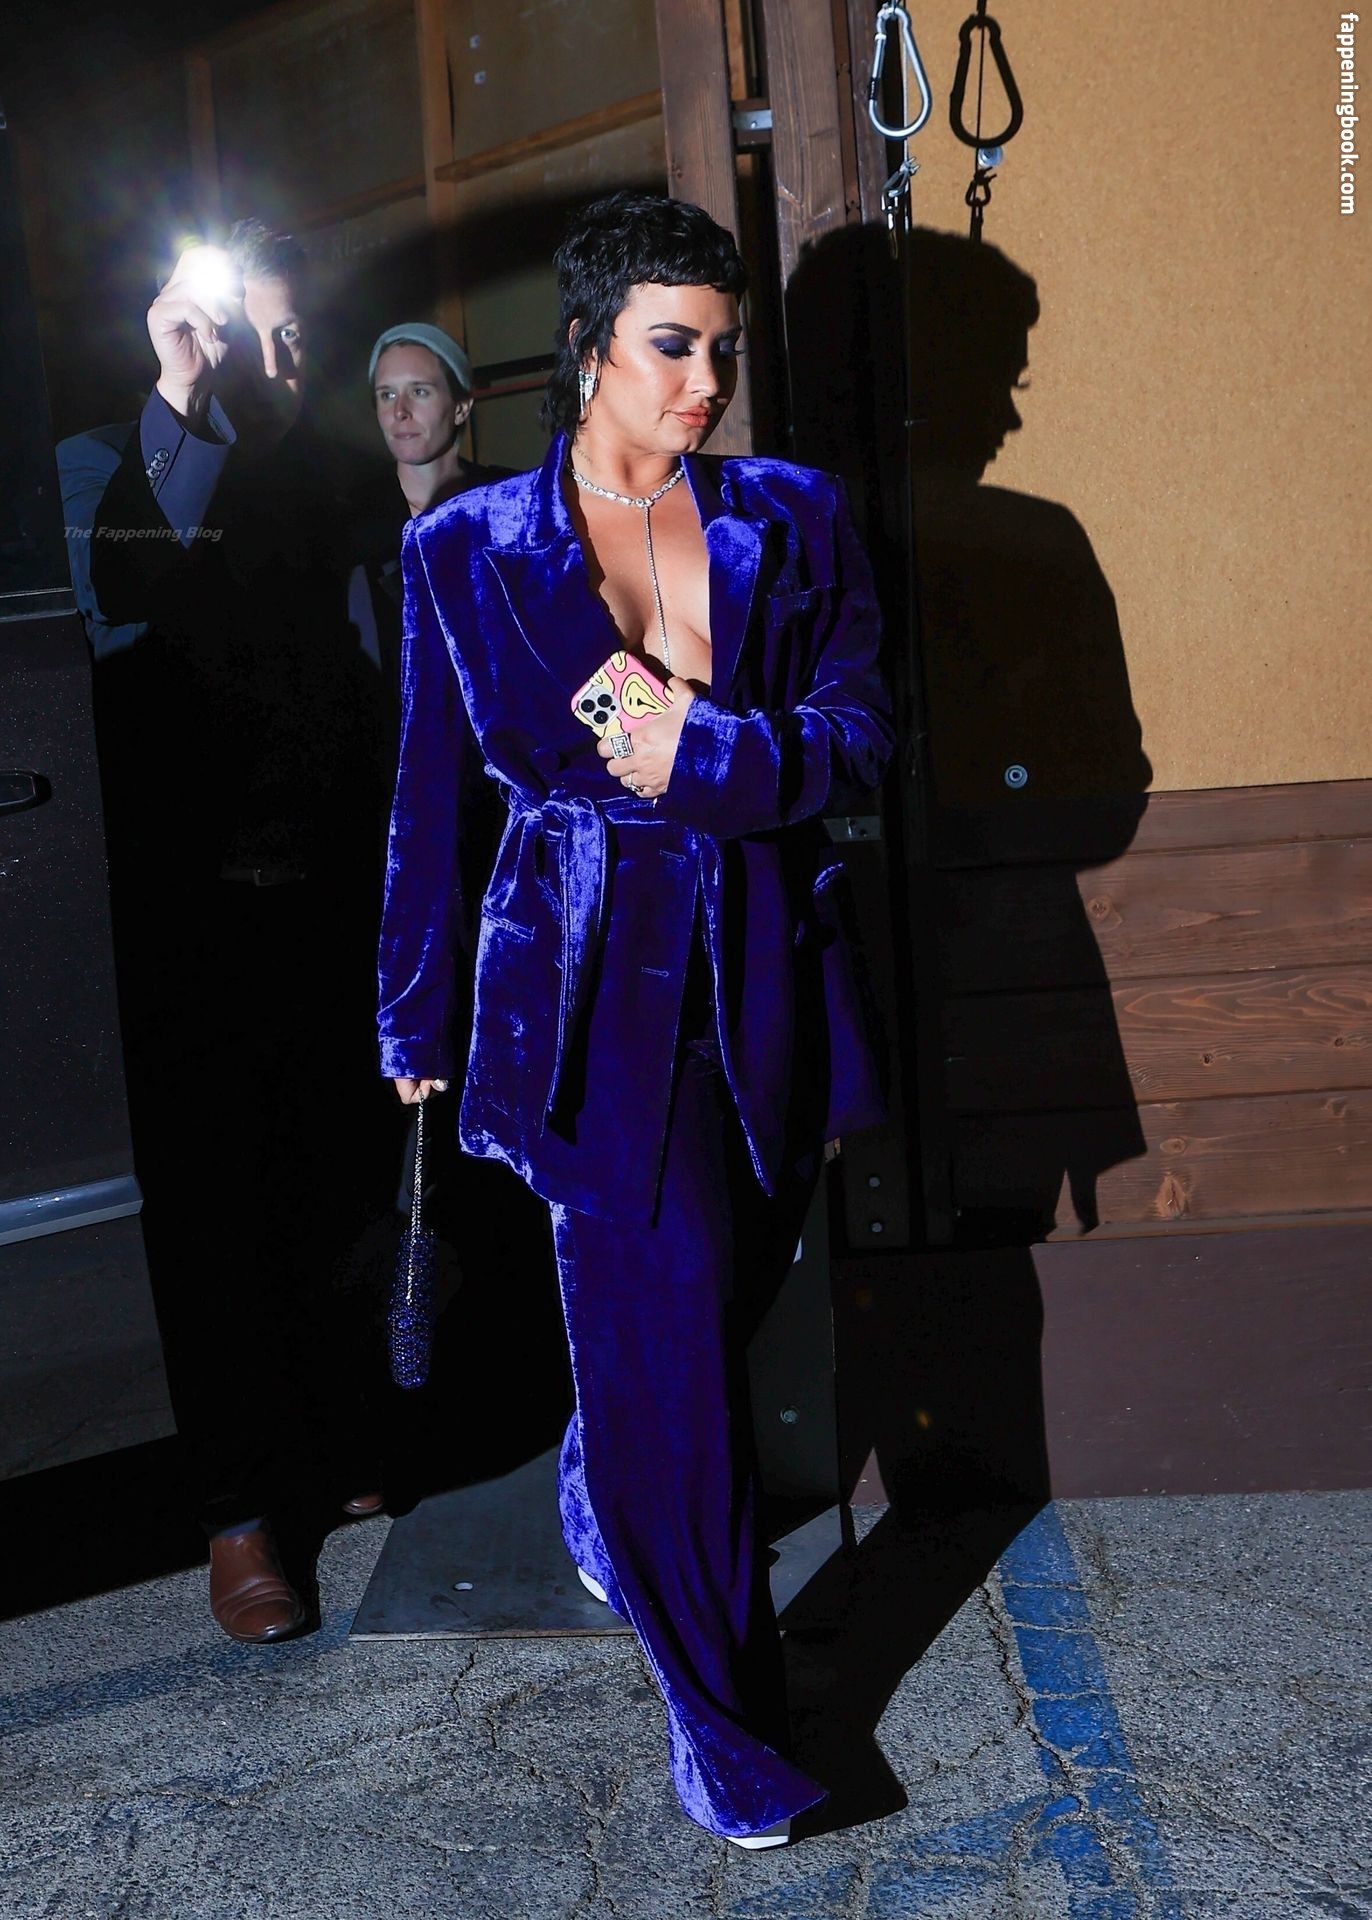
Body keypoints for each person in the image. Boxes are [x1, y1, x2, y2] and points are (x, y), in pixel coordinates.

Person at [377, 192, 893, 1847]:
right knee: (670, 1356)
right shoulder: (464, 550)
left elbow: (865, 734)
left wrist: (716, 757)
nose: (707, 384)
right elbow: (432, 796)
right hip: (585, 995)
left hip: (762, 982)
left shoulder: (792, 515)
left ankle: (601, 1476)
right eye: (673, 347)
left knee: (709, 1303)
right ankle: (731, 1737)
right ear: (588, 346)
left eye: (723, 349)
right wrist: (413, 1009)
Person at [58, 220, 398, 1644]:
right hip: (192, 904)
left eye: (292, 335)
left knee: (335, 1179)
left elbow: (386, 671)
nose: (275, 360)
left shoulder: (342, 480)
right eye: (246, 333)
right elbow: (122, 597)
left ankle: (335, 1444)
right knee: (210, 1210)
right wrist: (181, 399)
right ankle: (240, 1516)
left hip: (332, 881)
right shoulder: (117, 460)